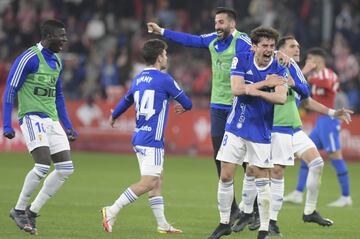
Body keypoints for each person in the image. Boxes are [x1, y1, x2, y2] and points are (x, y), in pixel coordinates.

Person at [234, 36, 352, 237]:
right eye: (292, 46)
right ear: (280, 50)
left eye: (298, 45)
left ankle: (309, 211)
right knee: (268, 172)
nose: (298, 49)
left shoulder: (294, 71)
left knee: (317, 163)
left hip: (294, 129)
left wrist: (333, 112)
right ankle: (267, 220)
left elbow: (306, 101)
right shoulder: (272, 67)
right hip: (276, 128)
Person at [147, 7, 251, 224]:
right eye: (216, 22)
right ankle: (232, 209)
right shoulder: (213, 40)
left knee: (247, 159)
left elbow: (257, 58)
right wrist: (162, 31)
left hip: (239, 105)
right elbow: (189, 40)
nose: (217, 27)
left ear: (232, 23)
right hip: (218, 106)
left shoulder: (242, 42)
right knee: (220, 158)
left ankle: (253, 208)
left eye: (221, 22)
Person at [101, 39, 192, 234]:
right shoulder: (165, 79)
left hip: (139, 137)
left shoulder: (138, 78)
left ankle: (162, 224)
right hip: (152, 140)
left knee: (157, 180)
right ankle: (112, 210)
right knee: (149, 182)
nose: (166, 57)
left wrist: (114, 115)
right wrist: (182, 105)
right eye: (165, 54)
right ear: (159, 56)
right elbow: (187, 102)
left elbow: (126, 100)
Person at [207, 26, 288, 239]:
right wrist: (265, 85)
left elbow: (280, 98)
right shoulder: (241, 59)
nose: (269, 49)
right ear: (254, 47)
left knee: (262, 177)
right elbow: (236, 89)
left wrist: (253, 90)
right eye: (264, 45)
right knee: (225, 174)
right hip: (235, 126)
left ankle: (263, 230)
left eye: (272, 46)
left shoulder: (279, 68)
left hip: (260, 129)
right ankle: (224, 222)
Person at [2, 19, 78, 235]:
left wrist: (68, 124)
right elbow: (10, 90)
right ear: (48, 36)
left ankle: (32, 212)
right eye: (61, 36)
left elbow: (59, 95)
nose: (65, 40)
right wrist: (7, 123)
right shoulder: (28, 58)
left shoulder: (57, 61)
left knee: (65, 169)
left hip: (52, 120)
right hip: (32, 117)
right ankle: (18, 210)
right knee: (43, 166)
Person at [284, 47, 353, 207]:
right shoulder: (316, 76)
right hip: (320, 122)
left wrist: (307, 77)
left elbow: (328, 83)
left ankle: (346, 196)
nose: (307, 61)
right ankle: (298, 193)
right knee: (305, 156)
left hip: (329, 123)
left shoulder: (327, 74)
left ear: (317, 61)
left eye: (309, 59)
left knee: (336, 158)